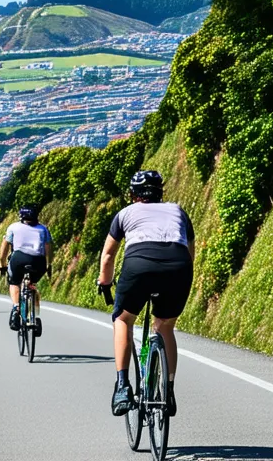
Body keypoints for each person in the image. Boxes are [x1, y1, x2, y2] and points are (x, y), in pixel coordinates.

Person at [97, 170, 195, 418]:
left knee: (123, 319)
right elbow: (190, 253)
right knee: (164, 327)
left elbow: (108, 255)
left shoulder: (125, 214)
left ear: (133, 194)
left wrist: (105, 282)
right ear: (161, 192)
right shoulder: (178, 211)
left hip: (139, 265)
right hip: (178, 266)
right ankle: (168, 391)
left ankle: (122, 386)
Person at [0, 206, 52, 335]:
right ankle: (33, 311)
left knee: (14, 282)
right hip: (38, 262)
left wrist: (2, 263)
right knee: (33, 280)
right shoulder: (43, 229)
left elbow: (4, 248)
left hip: (18, 259)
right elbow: (48, 248)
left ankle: (16, 307)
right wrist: (49, 264)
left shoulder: (13, 227)